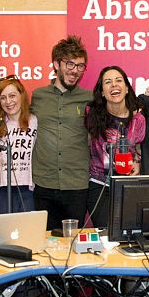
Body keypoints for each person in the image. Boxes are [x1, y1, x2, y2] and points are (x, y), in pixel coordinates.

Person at [31, 36, 92, 229]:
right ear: (56, 64)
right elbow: (13, 115)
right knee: (45, 244)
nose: (75, 71)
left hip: (76, 184)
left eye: (80, 66)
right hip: (43, 183)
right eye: (70, 64)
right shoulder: (38, 96)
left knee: (73, 245)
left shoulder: (90, 98)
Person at [85, 66, 144, 227]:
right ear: (102, 92)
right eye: (108, 82)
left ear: (126, 88)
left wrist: (137, 163)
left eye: (119, 81)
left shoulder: (138, 119)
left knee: (127, 233)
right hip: (99, 185)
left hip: (128, 187)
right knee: (106, 234)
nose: (114, 85)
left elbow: (139, 150)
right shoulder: (91, 114)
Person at [0, 76, 37, 214]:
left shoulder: (34, 121)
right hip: (3, 188)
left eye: (12, 96)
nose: (8, 102)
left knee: (28, 232)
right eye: (3, 98)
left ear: (21, 95)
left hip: (28, 187)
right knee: (5, 233)